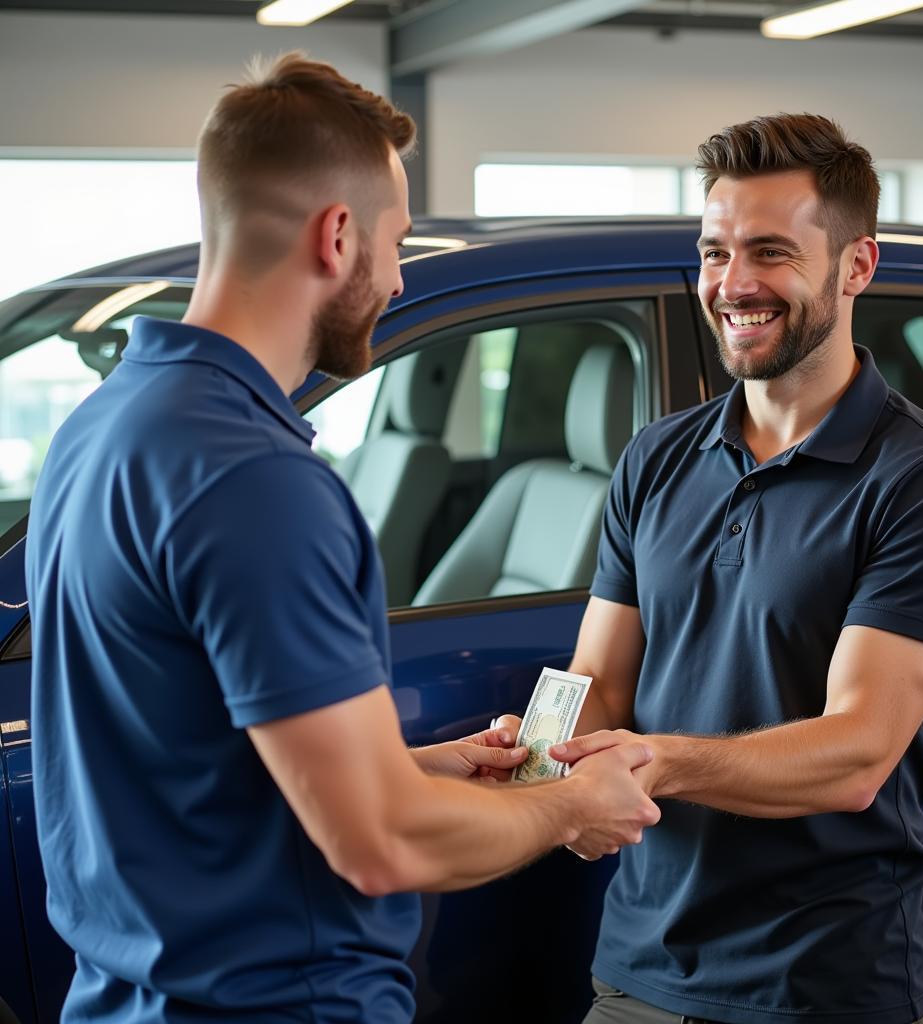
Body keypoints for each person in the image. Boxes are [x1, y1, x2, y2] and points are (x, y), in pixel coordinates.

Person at [24, 53, 660, 1024]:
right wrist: (575, 804)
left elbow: (192, 760)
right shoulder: (258, 482)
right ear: (336, 235)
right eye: (396, 242)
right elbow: (379, 846)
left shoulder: (108, 425)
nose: (399, 278)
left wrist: (423, 766)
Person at [494, 114, 923, 1024]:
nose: (733, 285)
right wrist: (543, 758)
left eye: (770, 252)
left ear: (856, 267)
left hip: (820, 985)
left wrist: (654, 761)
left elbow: (855, 753)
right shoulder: (656, 459)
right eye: (715, 252)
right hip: (637, 971)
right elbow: (599, 679)